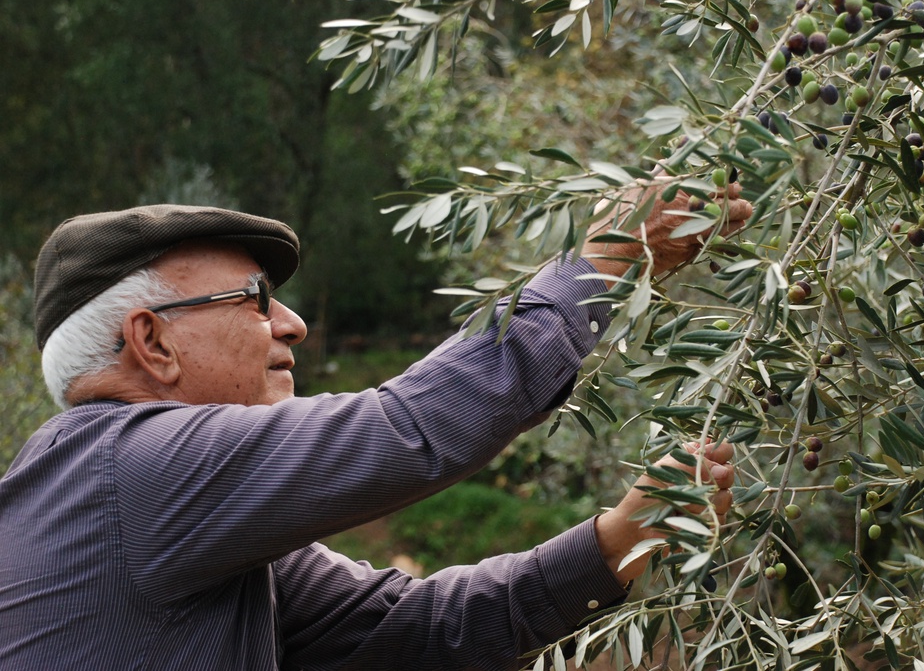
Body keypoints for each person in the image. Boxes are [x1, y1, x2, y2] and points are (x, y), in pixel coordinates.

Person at [0, 182, 750, 670]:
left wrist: (617, 542)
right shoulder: (130, 471)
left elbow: (417, 627)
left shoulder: (174, 518)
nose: (291, 324)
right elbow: (409, 427)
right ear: (152, 341)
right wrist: (605, 263)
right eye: (256, 300)